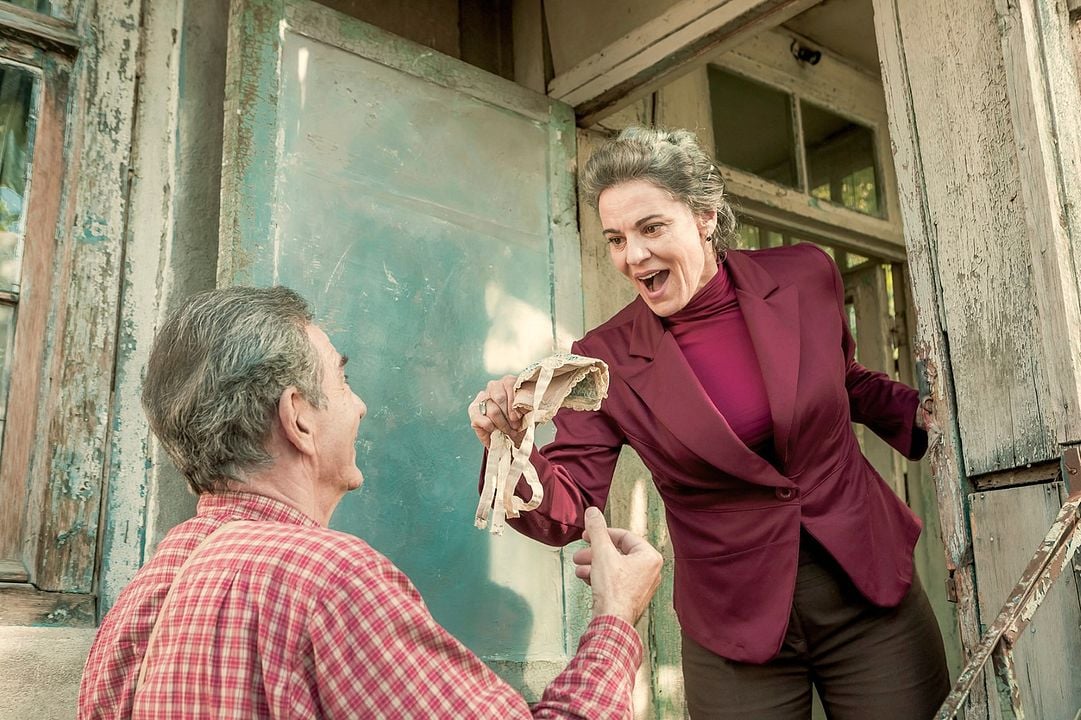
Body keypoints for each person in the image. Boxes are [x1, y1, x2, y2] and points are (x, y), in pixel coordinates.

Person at [469, 127, 950, 720]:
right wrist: (511, 448)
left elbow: (843, 378)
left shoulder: (805, 276)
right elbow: (569, 507)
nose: (633, 256)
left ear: (704, 216)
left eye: (651, 228)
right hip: (734, 627)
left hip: (867, 582)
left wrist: (926, 417)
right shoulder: (603, 358)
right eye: (616, 238)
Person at [78, 285, 662, 719]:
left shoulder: (144, 592)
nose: (359, 407)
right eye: (343, 382)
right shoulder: (328, 580)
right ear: (298, 419)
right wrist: (614, 617)